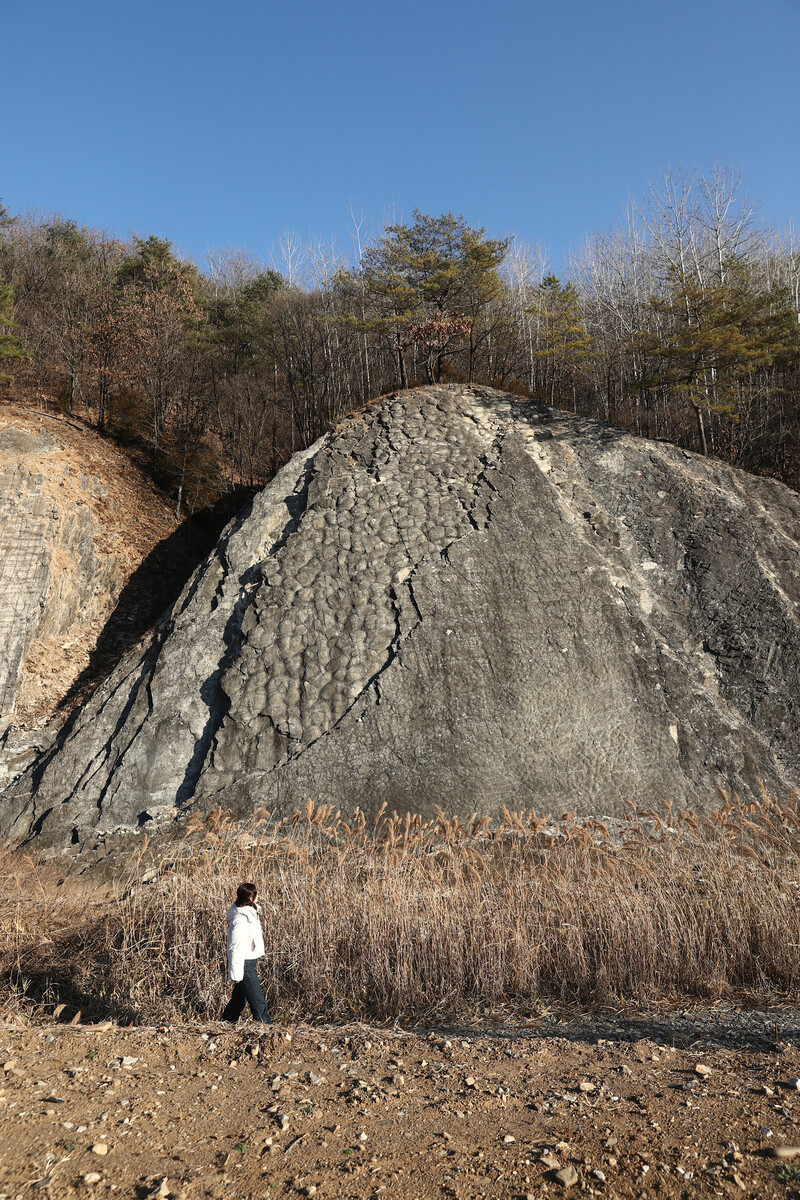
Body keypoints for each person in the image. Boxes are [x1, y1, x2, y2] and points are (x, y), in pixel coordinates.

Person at [221, 881, 271, 1025]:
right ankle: (265, 1027)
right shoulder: (240, 919)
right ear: (250, 898)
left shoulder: (249, 911)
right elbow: (235, 947)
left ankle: (226, 1023)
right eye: (256, 894)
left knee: (238, 999)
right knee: (257, 1000)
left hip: (248, 960)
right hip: (244, 963)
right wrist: (236, 974)